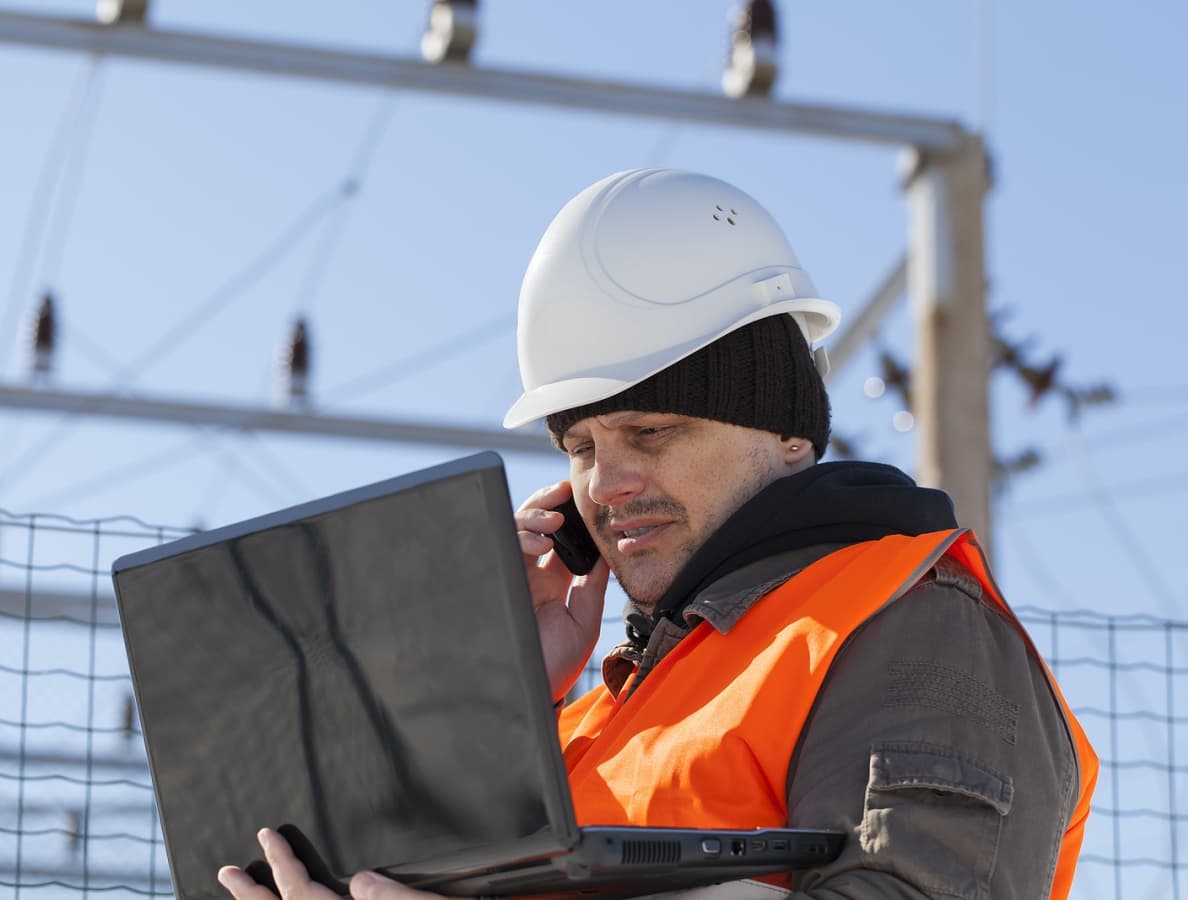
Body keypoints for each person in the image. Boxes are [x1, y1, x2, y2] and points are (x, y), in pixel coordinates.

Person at [218, 168, 1097, 900]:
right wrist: (504, 700)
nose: (604, 483)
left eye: (652, 431)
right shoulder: (595, 713)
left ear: (789, 432)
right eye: (580, 446)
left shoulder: (907, 624)